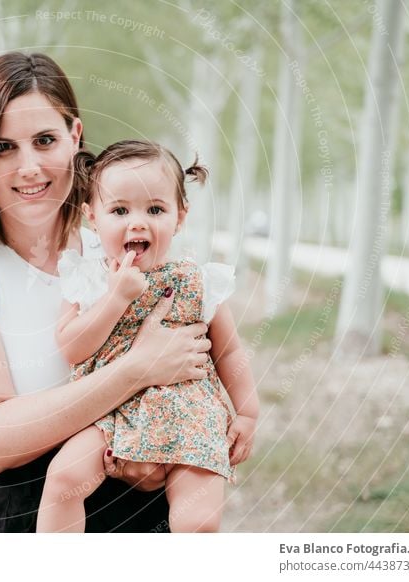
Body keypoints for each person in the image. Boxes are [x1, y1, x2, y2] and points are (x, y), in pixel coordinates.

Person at [0, 52, 213, 533]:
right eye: (3, 147)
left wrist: (163, 449)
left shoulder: (119, 245)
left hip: (132, 505)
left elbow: (189, 361)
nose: (28, 166)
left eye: (44, 140)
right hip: (8, 518)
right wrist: (135, 371)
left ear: (74, 137)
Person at [36, 140, 259, 532]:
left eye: (155, 209)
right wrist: (114, 298)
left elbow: (229, 351)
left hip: (189, 416)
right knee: (63, 480)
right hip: (111, 413)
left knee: (198, 520)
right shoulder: (88, 279)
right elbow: (72, 348)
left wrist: (248, 412)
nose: (137, 222)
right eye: (119, 210)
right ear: (92, 218)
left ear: (180, 217)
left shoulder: (198, 280)